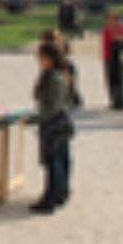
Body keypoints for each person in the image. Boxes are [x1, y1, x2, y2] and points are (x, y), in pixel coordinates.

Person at [31, 42, 75, 214]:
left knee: (55, 162)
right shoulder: (51, 75)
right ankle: (60, 193)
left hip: (55, 123)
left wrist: (36, 118)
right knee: (58, 160)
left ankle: (52, 197)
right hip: (54, 121)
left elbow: (54, 106)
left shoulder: (56, 78)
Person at [101, 11, 123, 110]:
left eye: (113, 18)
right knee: (110, 79)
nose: (111, 21)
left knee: (120, 79)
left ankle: (121, 100)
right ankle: (113, 100)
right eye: (109, 18)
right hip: (108, 57)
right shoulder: (106, 30)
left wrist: (121, 39)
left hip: (119, 58)